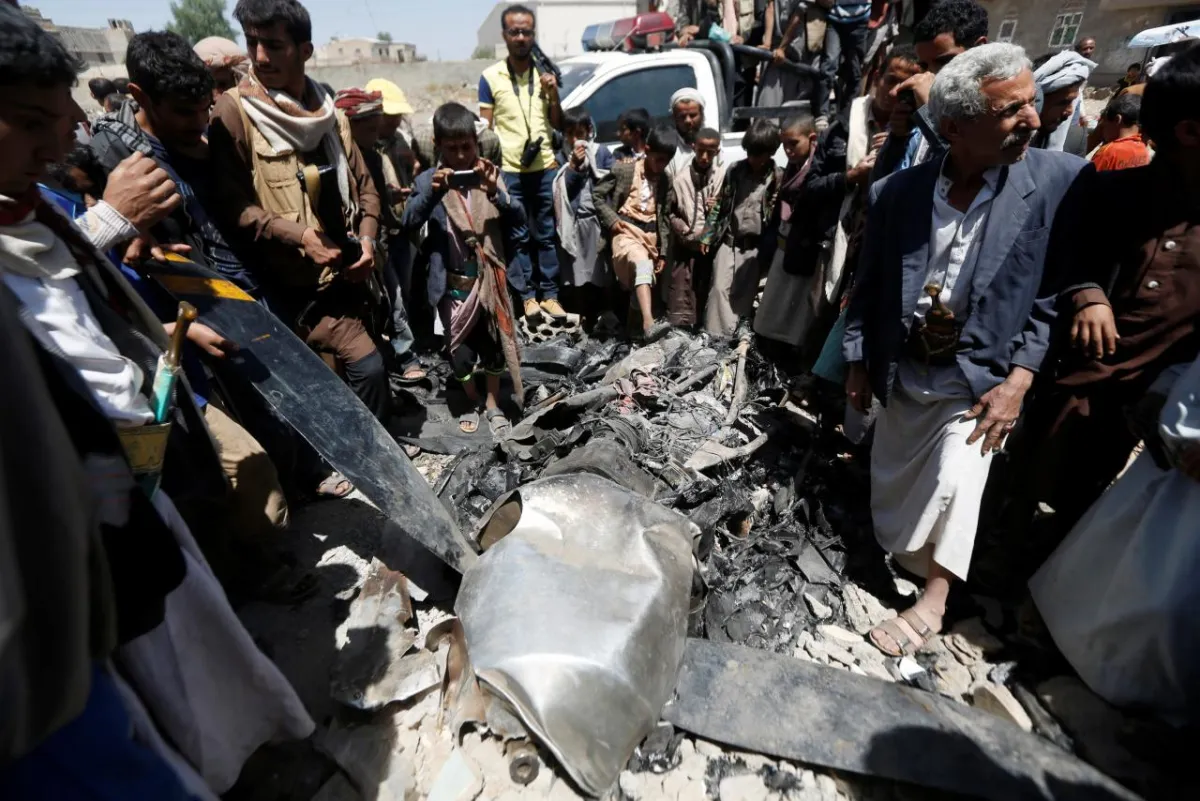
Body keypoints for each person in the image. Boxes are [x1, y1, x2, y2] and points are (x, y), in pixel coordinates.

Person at [0, 8, 314, 794]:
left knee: (187, 621)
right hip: (67, 511)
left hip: (137, 449)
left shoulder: (37, 206)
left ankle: (238, 750)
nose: (55, 141)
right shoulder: (103, 175)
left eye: (58, 119)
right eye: (31, 122)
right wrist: (114, 222)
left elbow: (94, 293)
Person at [842, 43, 1086, 657]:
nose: (1032, 119)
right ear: (954, 128)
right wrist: (857, 360)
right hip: (907, 368)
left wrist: (1020, 379)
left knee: (959, 475)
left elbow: (1052, 294)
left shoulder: (1058, 182)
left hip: (981, 376)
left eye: (1032, 103)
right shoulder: (898, 193)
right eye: (1011, 111)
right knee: (899, 492)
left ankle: (935, 600)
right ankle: (909, 560)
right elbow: (868, 283)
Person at [87, 31, 292, 552]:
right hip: (181, 323)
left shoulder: (203, 143)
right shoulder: (118, 161)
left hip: (237, 289)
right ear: (139, 95)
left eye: (205, 108)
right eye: (184, 112)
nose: (199, 122)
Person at [1002, 43, 1200, 548]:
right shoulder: (1109, 192)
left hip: (1150, 397)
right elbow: (1062, 257)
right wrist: (1088, 293)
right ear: (1189, 131)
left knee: (1086, 502)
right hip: (1068, 377)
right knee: (1023, 474)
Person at [209, 0, 389, 425]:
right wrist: (300, 236)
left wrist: (366, 240)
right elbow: (231, 208)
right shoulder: (235, 113)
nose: (259, 57)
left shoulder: (329, 113)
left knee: (363, 372)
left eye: (273, 45)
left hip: (345, 281)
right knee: (349, 375)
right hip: (286, 293)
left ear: (304, 50)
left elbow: (366, 190)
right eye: (252, 43)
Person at [401, 103, 525, 437]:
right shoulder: (427, 181)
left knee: (494, 348)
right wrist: (434, 193)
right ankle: (471, 399)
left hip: (490, 285)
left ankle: (492, 403)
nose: (460, 156)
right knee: (460, 355)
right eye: (451, 148)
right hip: (452, 288)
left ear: (476, 142)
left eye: (466, 147)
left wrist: (495, 194)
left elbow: (519, 221)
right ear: (437, 145)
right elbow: (409, 221)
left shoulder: (491, 176)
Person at [755, 111, 870, 352]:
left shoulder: (818, 167)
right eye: (784, 145)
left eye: (793, 144)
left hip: (807, 245)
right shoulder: (791, 168)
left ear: (812, 139)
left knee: (798, 312)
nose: (788, 150)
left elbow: (814, 194)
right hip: (786, 244)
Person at [478, 3, 565, 320]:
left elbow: (558, 123)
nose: (520, 37)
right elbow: (485, 129)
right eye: (514, 31)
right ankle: (527, 297)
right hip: (510, 170)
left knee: (546, 235)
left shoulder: (545, 76)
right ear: (504, 35)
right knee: (518, 236)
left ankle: (550, 295)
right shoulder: (490, 77)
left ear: (533, 35)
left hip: (544, 167)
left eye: (526, 32)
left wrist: (553, 94)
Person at [335, 87, 424, 385]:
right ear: (348, 126)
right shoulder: (335, 159)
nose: (375, 135)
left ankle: (406, 356)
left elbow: (375, 201)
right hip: (349, 247)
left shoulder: (372, 158)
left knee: (394, 300)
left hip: (377, 243)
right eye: (370, 129)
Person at [878, 0, 988, 172]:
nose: (931, 76)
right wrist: (898, 138)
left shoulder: (1000, 108)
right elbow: (882, 183)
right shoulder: (920, 103)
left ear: (979, 48)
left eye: (944, 62)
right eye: (924, 66)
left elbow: (969, 172)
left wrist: (930, 113)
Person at [593, 125, 677, 341]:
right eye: (659, 159)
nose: (661, 165)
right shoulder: (625, 170)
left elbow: (664, 217)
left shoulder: (665, 180)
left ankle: (632, 333)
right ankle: (649, 323)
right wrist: (612, 220)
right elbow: (598, 195)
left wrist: (663, 252)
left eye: (666, 161)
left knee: (641, 280)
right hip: (626, 231)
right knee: (641, 263)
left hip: (649, 238)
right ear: (647, 150)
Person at [700, 118, 780, 338]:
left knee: (743, 298)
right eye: (750, 153)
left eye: (758, 155)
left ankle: (737, 342)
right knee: (718, 290)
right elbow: (720, 204)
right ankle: (715, 340)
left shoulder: (777, 178)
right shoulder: (735, 171)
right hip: (729, 240)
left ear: (770, 152)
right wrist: (707, 235)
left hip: (755, 248)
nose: (752, 159)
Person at [664, 126, 726, 329]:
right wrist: (684, 230)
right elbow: (670, 212)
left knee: (705, 290)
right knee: (682, 292)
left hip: (709, 248)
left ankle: (705, 331)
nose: (705, 157)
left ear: (717, 151)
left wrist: (715, 208)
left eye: (710, 152)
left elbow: (725, 211)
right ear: (693, 148)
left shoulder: (721, 177)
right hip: (686, 247)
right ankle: (680, 333)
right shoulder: (680, 179)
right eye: (701, 151)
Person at [553, 106, 614, 302]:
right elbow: (561, 191)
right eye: (569, 134)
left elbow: (611, 179)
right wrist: (573, 167)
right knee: (578, 271)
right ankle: (582, 309)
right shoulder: (561, 158)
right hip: (575, 221)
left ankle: (606, 308)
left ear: (588, 131)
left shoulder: (600, 153)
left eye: (579, 134)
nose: (574, 140)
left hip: (597, 220)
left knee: (601, 268)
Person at [814, 1, 874, 129]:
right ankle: (822, 113)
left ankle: (847, 113)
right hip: (835, 19)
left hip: (860, 21)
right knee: (829, 64)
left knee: (855, 71)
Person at [1031, 50, 1094, 156]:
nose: (1070, 111)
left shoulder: (1075, 140)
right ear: (1037, 98)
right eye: (1062, 103)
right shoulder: (1008, 137)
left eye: (1073, 101)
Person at [1091, 93, 1151, 171]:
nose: (1102, 131)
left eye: (1103, 125)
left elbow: (1088, 177)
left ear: (1117, 120)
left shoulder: (1109, 152)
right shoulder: (1143, 149)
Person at [668, 87, 707, 177]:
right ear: (674, 118)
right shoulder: (669, 150)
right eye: (682, 116)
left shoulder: (712, 144)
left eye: (693, 115)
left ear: (702, 115)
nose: (688, 121)